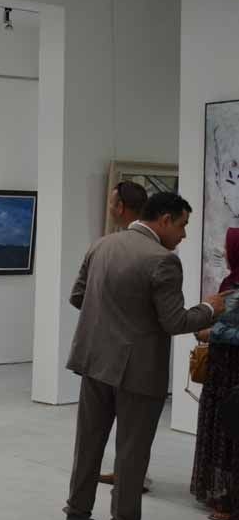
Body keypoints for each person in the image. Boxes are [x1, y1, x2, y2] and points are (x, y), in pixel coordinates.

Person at [63, 192, 224, 520]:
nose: (183, 234)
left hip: (94, 362)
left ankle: (76, 515)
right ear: (164, 219)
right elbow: (175, 321)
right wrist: (209, 308)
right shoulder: (163, 261)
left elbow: (78, 297)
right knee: (132, 453)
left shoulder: (101, 245)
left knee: (88, 443)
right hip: (137, 371)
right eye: (182, 225)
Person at [99, 181, 148, 488]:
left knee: (130, 423)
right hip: (129, 351)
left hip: (126, 353)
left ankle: (129, 477)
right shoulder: (153, 249)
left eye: (112, 202)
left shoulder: (110, 246)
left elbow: (79, 297)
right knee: (131, 422)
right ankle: (128, 473)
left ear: (120, 207)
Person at [191, 227, 239, 520]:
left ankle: (232, 501)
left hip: (232, 371)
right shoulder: (229, 282)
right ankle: (224, 493)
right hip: (222, 370)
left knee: (231, 431)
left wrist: (213, 332)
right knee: (222, 428)